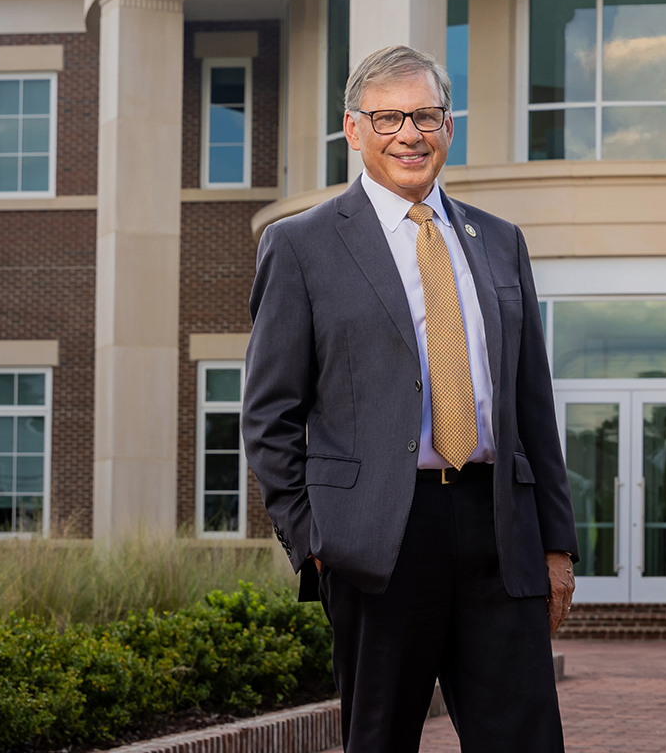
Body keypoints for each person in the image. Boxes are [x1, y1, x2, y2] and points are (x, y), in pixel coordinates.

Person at [243, 43, 577, 753]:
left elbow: (533, 408)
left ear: (448, 128)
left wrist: (555, 545)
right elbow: (270, 415)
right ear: (353, 128)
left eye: (426, 116)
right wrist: (314, 542)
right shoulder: (301, 246)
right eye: (388, 117)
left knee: (527, 742)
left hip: (499, 526)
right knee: (381, 741)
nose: (410, 134)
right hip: (379, 541)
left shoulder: (498, 242)